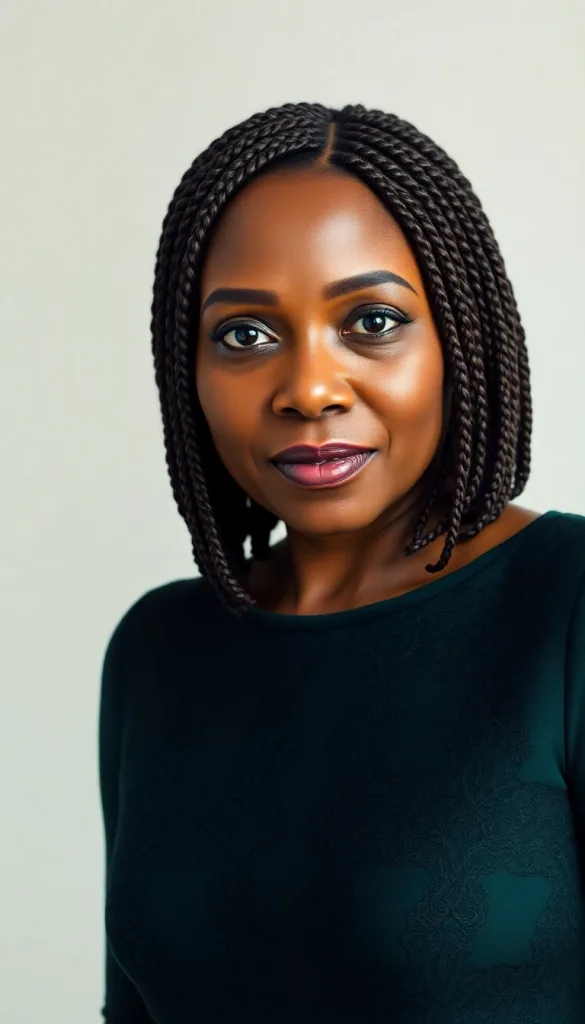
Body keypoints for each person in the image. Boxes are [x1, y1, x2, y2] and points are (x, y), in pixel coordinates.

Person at [98, 102, 585, 1023]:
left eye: (370, 320)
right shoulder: (160, 649)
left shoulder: (564, 606)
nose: (309, 389)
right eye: (244, 334)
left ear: (459, 338)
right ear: (186, 370)